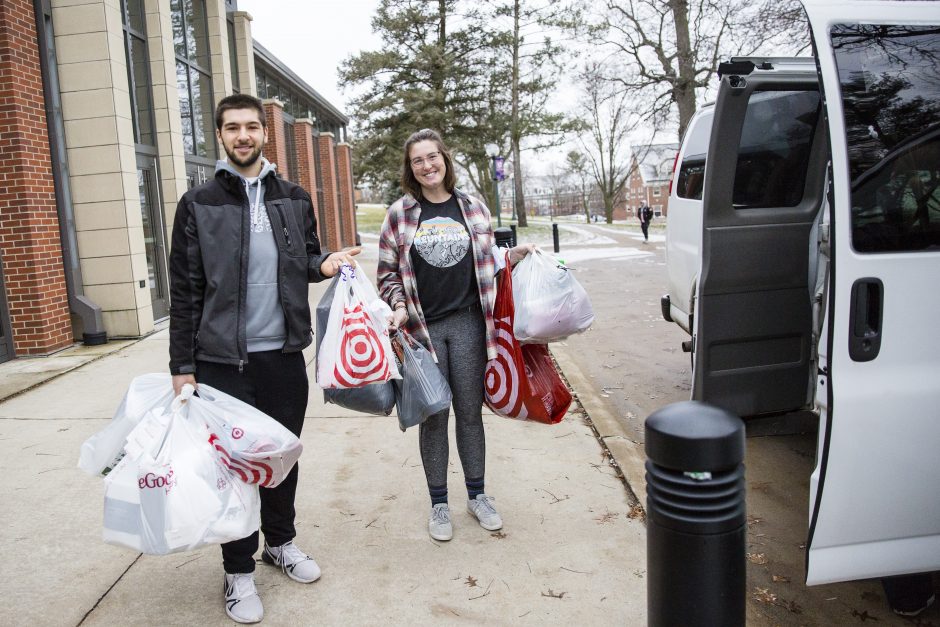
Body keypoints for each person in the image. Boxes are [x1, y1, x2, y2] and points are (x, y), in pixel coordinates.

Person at [168, 93, 359, 624]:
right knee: (232, 472)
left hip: (281, 357)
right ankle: (238, 571)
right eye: (233, 127)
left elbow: (306, 256)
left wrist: (325, 264)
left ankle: (280, 542)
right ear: (221, 136)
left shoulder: (294, 197)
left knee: (279, 460)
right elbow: (184, 291)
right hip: (220, 364)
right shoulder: (199, 204)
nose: (244, 135)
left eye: (252, 126)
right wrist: (181, 369)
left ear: (265, 134)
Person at [377, 129, 534, 542]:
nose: (427, 166)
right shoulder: (400, 214)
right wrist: (396, 305)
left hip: (468, 325)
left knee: (469, 412)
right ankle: (439, 503)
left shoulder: (473, 208)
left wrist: (509, 259)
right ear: (410, 169)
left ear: (445, 159)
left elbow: (487, 262)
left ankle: (478, 495)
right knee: (434, 416)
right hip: (421, 330)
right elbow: (387, 272)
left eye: (433, 157)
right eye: (417, 161)